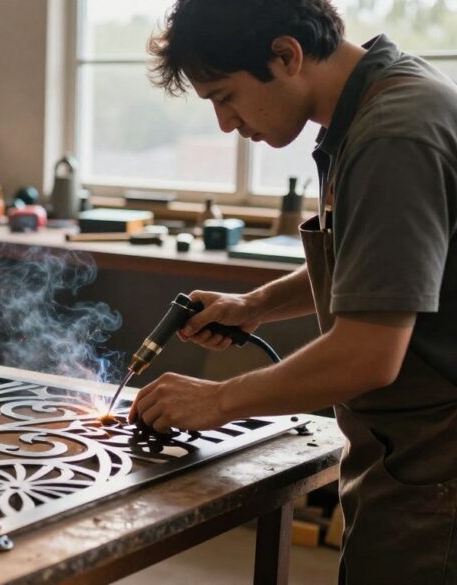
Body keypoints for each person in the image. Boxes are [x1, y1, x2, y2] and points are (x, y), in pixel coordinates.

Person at [126, 1, 457, 582]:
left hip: (440, 474)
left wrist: (216, 401)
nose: (226, 124)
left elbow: (367, 354)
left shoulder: (394, 134)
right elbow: (379, 270)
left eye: (224, 96)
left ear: (286, 55)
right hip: (408, 456)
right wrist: (254, 306)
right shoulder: (370, 107)